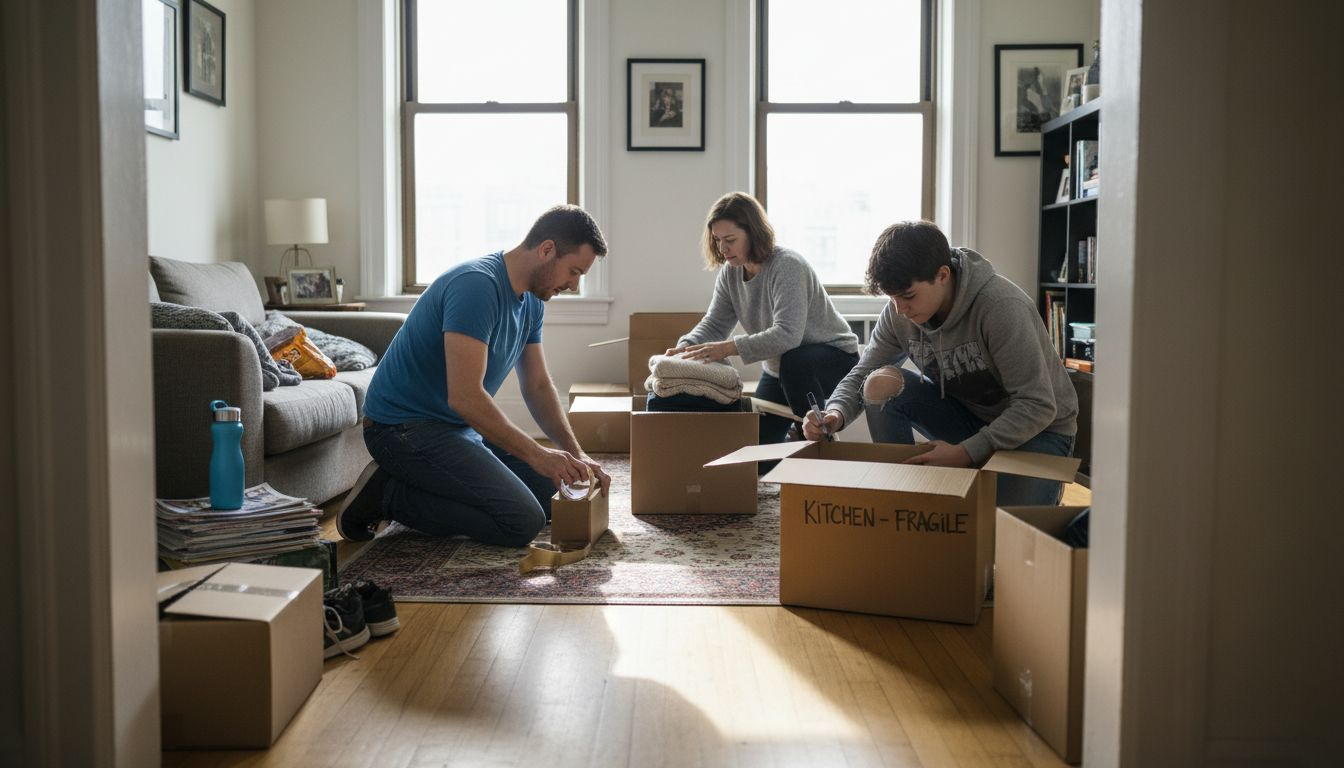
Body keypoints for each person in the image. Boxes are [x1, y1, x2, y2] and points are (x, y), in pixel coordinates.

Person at [336, 205, 612, 547]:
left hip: (456, 429)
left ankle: (425, 484)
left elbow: (538, 386)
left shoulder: (532, 301)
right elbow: (465, 396)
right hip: (401, 429)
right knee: (522, 520)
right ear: (546, 250)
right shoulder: (476, 286)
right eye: (573, 272)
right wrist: (539, 455)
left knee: (551, 495)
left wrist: (575, 455)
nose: (573, 285)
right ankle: (387, 496)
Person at [803, 220, 1078, 505]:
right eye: (892, 298)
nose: (900, 309)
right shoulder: (898, 312)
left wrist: (965, 452)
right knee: (878, 383)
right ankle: (904, 498)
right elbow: (863, 372)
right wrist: (834, 413)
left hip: (1039, 431)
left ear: (943, 275)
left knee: (1005, 534)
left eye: (908, 296)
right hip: (972, 420)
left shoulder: (1002, 307)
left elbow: (1038, 405)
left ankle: (975, 471)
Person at [670, 192, 859, 444]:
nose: (722, 248)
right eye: (717, 240)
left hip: (834, 360)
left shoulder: (787, 266)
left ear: (753, 234)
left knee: (795, 362)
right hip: (780, 369)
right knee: (757, 453)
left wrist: (728, 348)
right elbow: (715, 323)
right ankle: (798, 442)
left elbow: (787, 335)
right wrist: (686, 347)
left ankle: (820, 443)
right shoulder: (731, 273)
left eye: (730, 239)